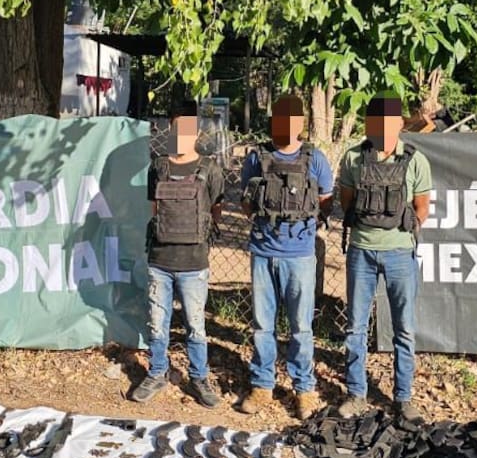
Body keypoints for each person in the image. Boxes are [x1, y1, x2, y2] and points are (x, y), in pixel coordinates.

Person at [238, 95, 333, 419]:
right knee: (263, 325)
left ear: (301, 123)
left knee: (300, 327)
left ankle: (303, 390)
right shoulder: (257, 157)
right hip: (263, 252)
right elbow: (246, 200)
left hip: (300, 255)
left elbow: (327, 199)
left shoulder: (314, 158)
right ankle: (262, 385)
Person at [338, 93, 432, 422]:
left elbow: (423, 206)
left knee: (404, 329)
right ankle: (356, 393)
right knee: (356, 327)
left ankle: (403, 398)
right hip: (361, 251)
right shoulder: (353, 157)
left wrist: (408, 226)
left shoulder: (415, 159)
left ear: (398, 123)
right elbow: (346, 202)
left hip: (399, 253)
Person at [130, 100, 226, 407]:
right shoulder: (158, 167)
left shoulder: (210, 169)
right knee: (158, 325)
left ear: (196, 131)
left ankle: (199, 377)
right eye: (176, 129)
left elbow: (216, 212)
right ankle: (158, 372)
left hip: (194, 264)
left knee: (195, 326)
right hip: (160, 261)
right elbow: (154, 210)